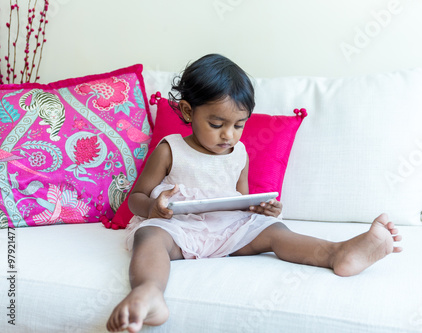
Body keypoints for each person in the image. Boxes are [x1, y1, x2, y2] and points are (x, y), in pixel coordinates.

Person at [106, 54, 402, 333]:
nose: (229, 135)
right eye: (216, 124)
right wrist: (154, 210)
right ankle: (149, 292)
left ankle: (338, 253)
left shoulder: (239, 153)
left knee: (274, 230)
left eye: (238, 125)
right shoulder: (171, 149)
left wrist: (259, 209)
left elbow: (240, 202)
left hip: (224, 229)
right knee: (150, 237)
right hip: (177, 229)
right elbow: (136, 198)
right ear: (187, 111)